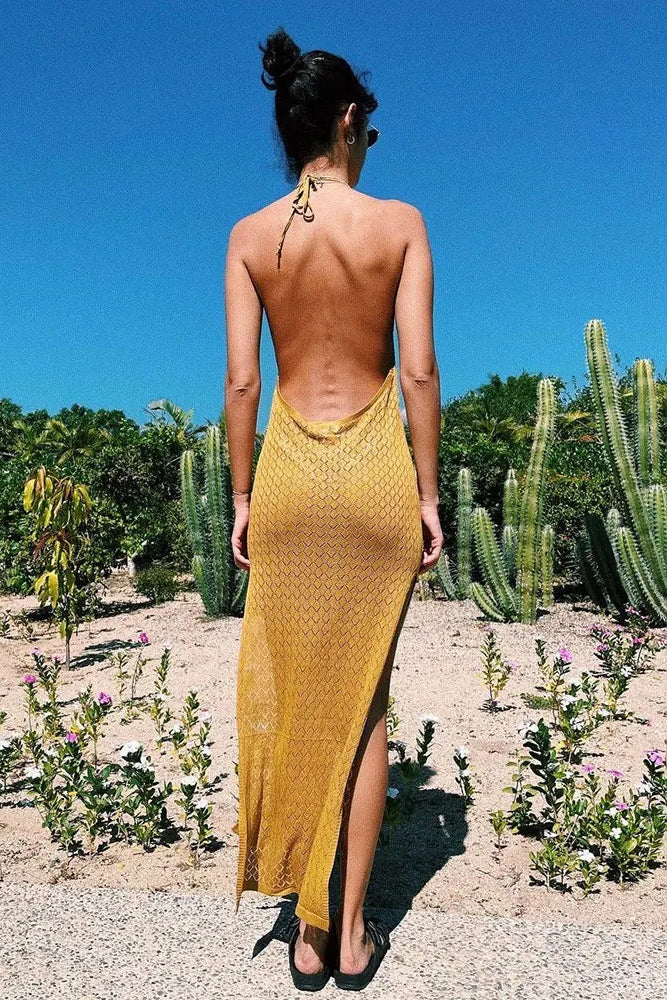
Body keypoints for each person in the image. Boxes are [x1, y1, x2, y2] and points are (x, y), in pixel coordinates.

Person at [224, 25, 442, 992]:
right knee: (363, 702)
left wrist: (239, 496)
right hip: (370, 472)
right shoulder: (398, 224)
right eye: (371, 123)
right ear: (349, 118)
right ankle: (343, 937)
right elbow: (421, 374)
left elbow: (240, 386)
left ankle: (301, 932)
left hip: (287, 478)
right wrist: (431, 497)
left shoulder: (248, 237)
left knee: (298, 691)